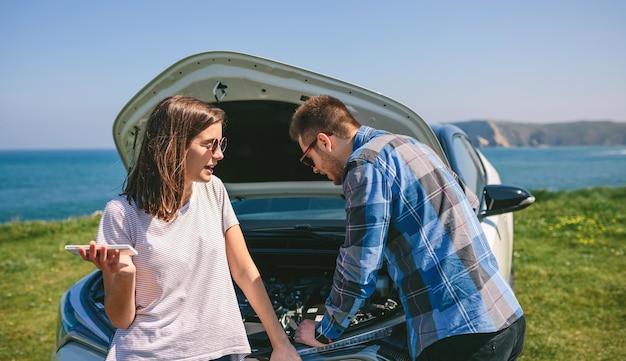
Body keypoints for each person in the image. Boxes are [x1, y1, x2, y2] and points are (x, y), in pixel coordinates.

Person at [291, 95, 526, 360]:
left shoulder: (364, 164)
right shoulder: (412, 145)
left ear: (324, 141)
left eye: (309, 159)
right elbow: (468, 204)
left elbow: (359, 264)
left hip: (460, 336)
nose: (314, 170)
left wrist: (325, 330)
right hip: (505, 317)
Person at [79, 95, 301, 361]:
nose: (219, 155)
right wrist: (125, 276)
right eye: (209, 145)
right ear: (174, 146)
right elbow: (121, 320)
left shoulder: (214, 190)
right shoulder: (121, 213)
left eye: (221, 144)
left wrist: (281, 344)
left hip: (222, 352)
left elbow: (244, 271)